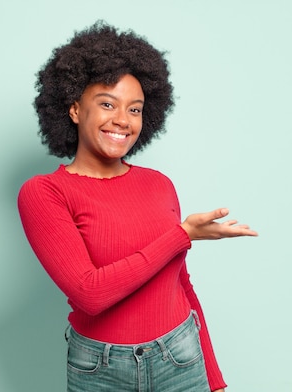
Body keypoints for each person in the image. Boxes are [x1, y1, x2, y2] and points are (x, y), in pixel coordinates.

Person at [18, 21, 257, 392]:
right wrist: (182, 235)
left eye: (135, 109)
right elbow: (90, 294)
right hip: (100, 369)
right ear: (75, 109)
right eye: (107, 104)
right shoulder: (45, 192)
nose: (122, 121)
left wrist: (213, 378)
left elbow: (181, 285)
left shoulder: (159, 184)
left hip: (181, 356)